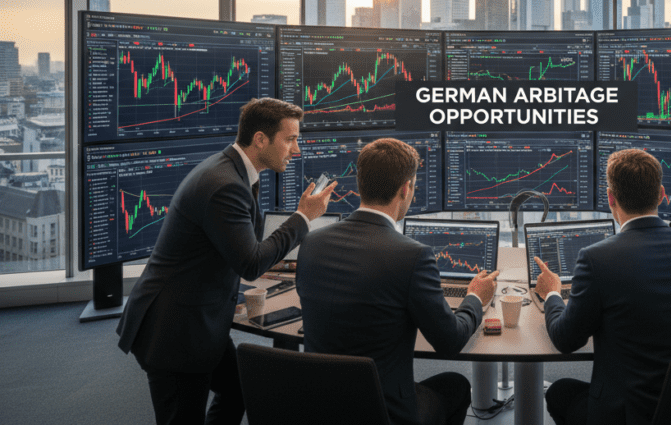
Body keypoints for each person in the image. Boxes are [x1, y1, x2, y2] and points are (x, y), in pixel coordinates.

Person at [116, 97, 336, 425]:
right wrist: (303, 218)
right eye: (290, 139)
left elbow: (235, 249)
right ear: (260, 139)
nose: (297, 150)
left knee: (239, 390)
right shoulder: (225, 186)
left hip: (199, 321)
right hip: (175, 331)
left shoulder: (233, 172)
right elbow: (250, 263)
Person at [296, 137, 499, 425]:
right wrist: (475, 297)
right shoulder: (412, 256)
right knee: (456, 384)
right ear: (406, 188)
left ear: (360, 183)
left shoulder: (312, 242)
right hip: (384, 411)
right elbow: (450, 341)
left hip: (320, 407)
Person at [534, 148, 671, 425]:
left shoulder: (596, 258)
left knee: (560, 392)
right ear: (661, 194)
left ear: (611, 198)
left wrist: (551, 292)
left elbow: (566, 341)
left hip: (626, 414)